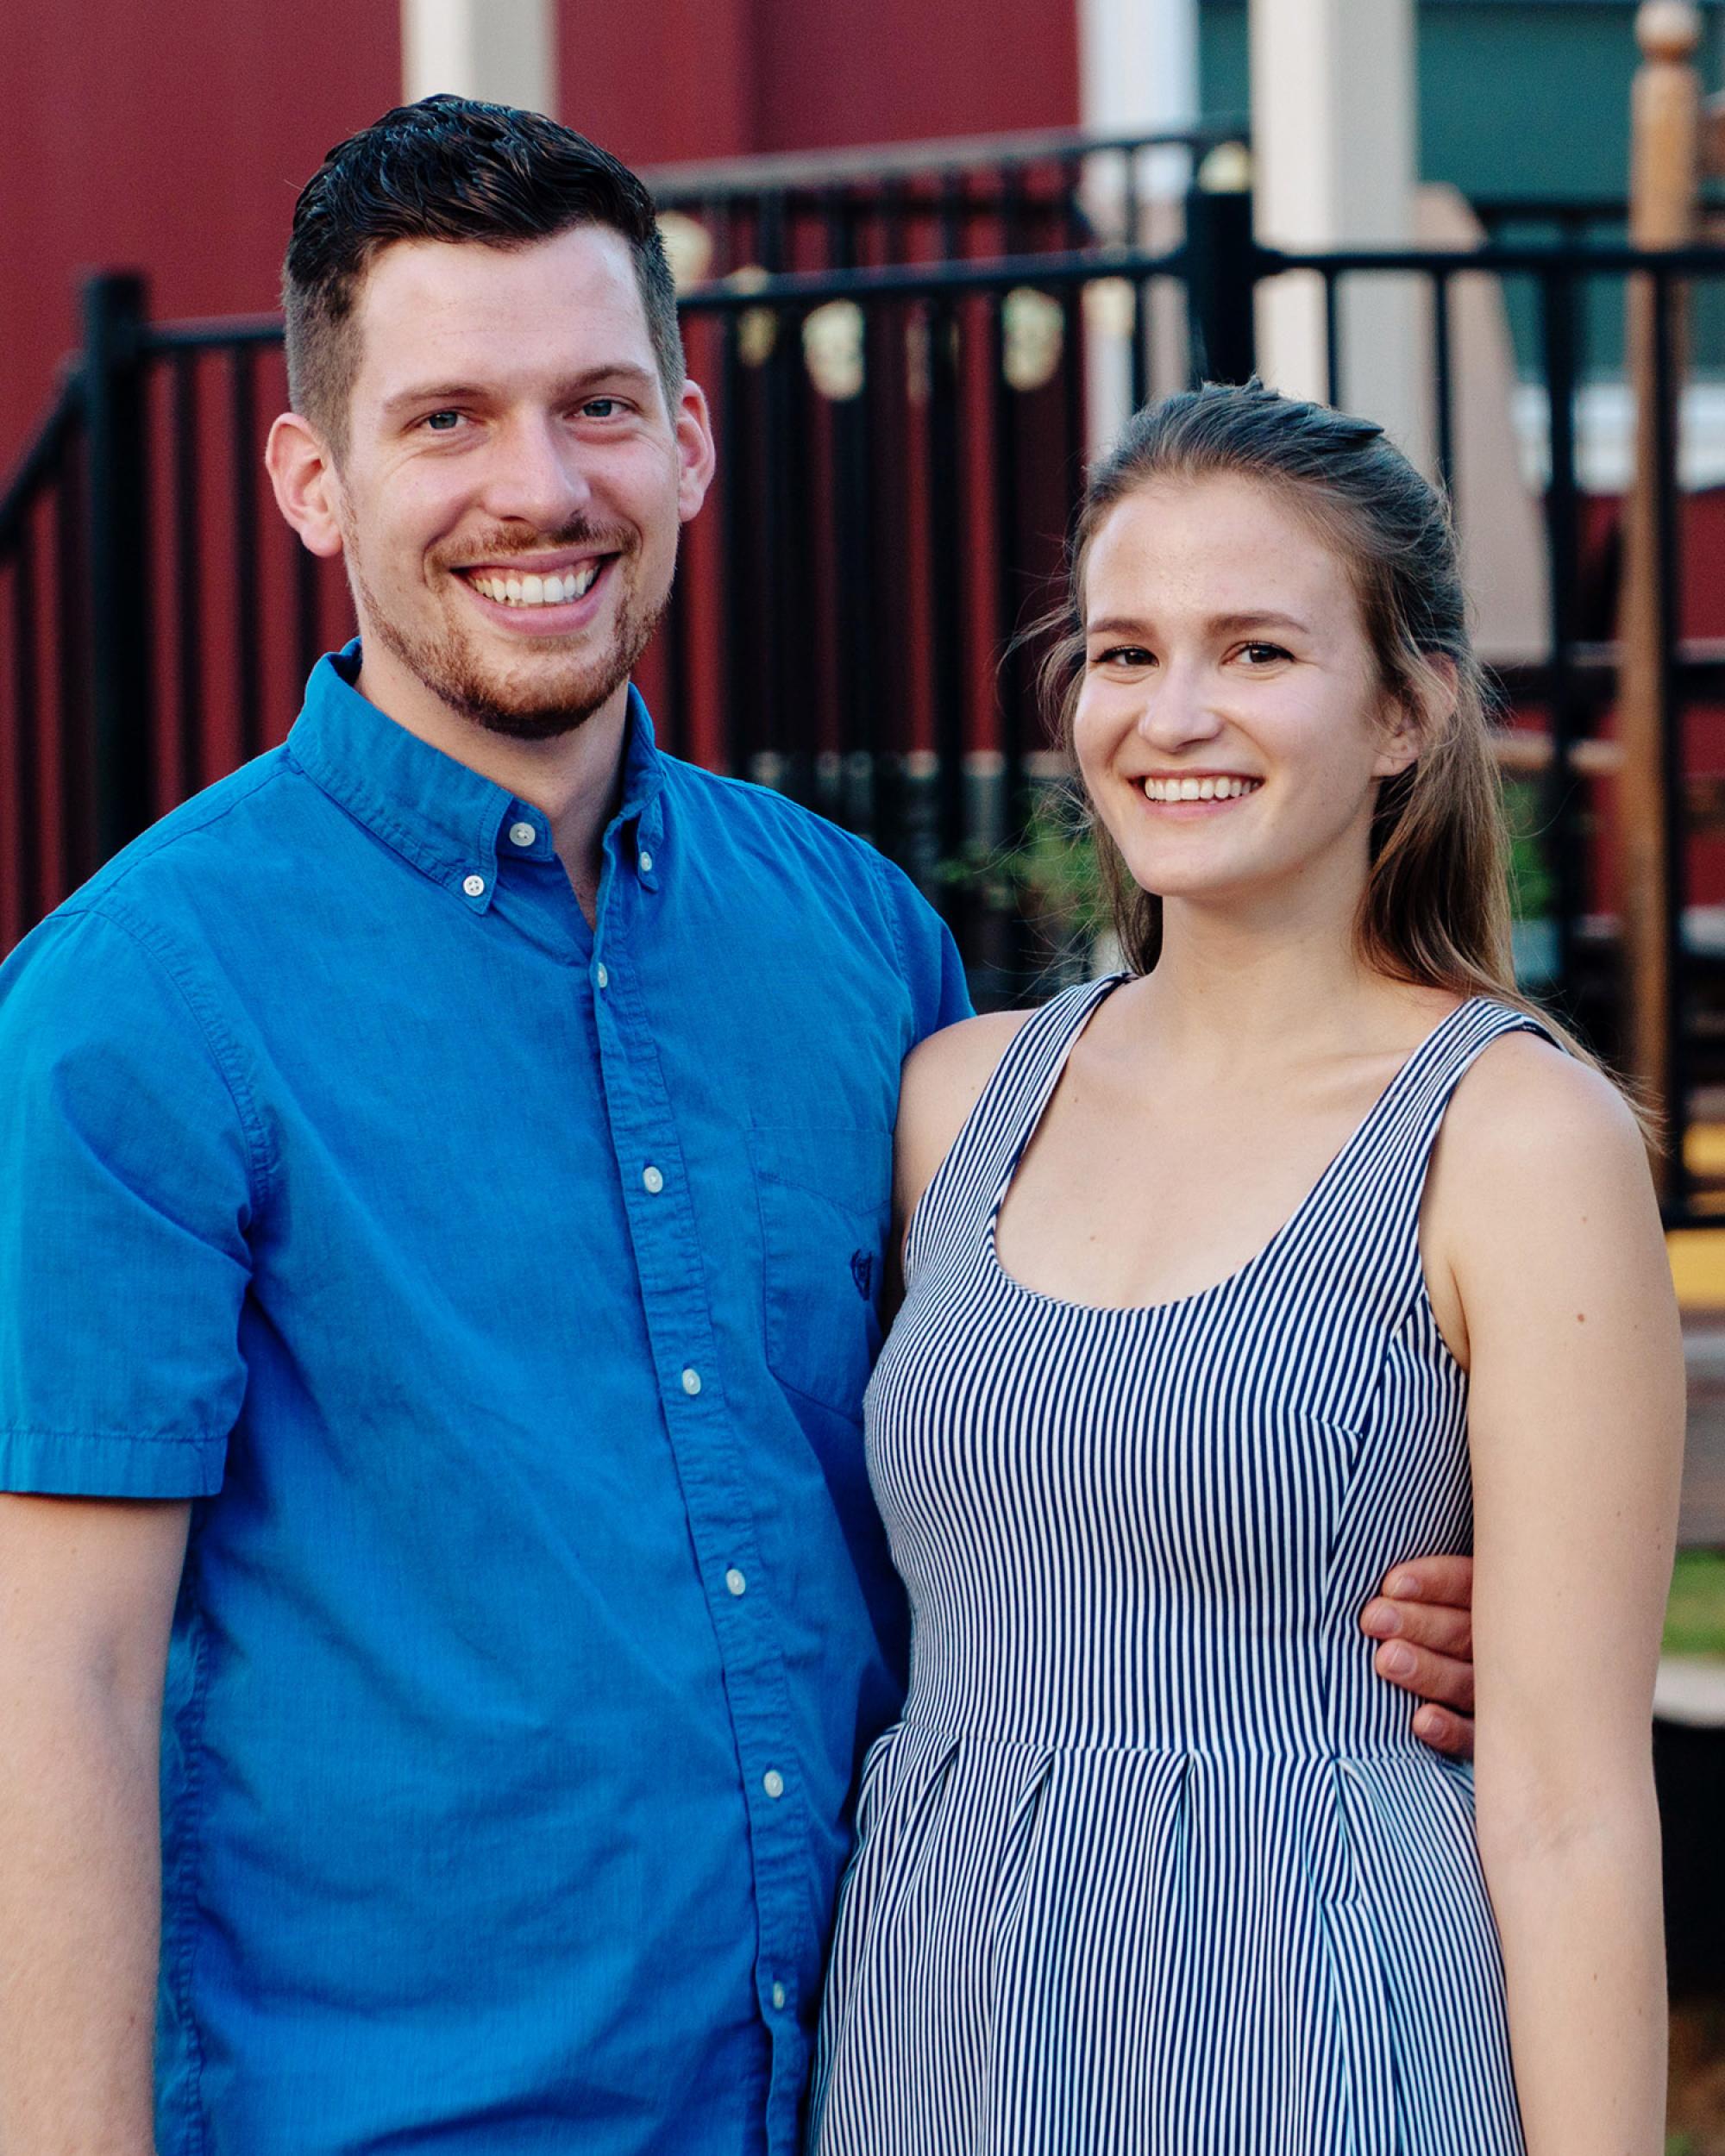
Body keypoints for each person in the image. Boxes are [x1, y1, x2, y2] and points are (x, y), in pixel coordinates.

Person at [0, 105, 1477, 2156]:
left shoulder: (860, 941)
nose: (541, 488)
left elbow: (1023, 1448)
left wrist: (1393, 1602)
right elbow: (51, 1685)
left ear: (689, 441)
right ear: (312, 482)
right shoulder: (134, 1002)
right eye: (447, 419)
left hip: (889, 2088)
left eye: (599, 404)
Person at [806, 384, 1684, 2156]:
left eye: (1258, 649)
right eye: (1123, 651)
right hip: (943, 2011)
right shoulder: (951, 1097)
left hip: (1334, 2021)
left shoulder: (1514, 1139)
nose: (1174, 714)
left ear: (1407, 708)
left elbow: (1574, 1804)